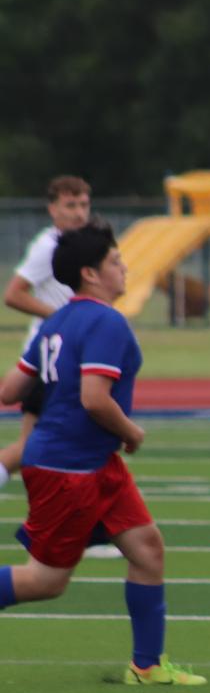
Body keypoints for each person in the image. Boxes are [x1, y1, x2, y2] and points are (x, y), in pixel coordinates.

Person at [0, 222, 204, 684]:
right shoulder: (106, 321)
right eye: (115, 260)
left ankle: (146, 667)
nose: (124, 266)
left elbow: (13, 388)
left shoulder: (58, 319)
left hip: (92, 463)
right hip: (66, 469)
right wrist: (131, 431)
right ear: (91, 273)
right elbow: (95, 398)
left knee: (148, 549)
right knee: (46, 582)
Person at [1, 176, 93, 492]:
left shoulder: (82, 246)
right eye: (70, 205)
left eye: (83, 205)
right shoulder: (49, 246)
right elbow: (13, 294)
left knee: (66, 443)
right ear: (53, 209)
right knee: (34, 446)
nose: (79, 213)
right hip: (48, 359)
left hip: (68, 356)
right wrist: (63, 317)